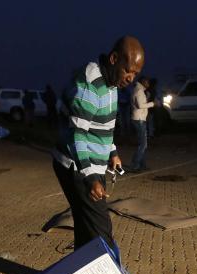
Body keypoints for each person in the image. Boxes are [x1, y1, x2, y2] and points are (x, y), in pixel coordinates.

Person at [52, 36, 145, 253]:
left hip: (92, 164)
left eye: (135, 74)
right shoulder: (90, 86)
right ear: (114, 59)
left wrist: (112, 151)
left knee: (87, 230)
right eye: (128, 71)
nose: (131, 78)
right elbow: (78, 136)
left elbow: (103, 126)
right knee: (101, 234)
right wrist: (91, 178)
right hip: (76, 166)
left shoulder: (111, 82)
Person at [129, 77, 155, 171]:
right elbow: (140, 105)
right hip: (139, 119)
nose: (148, 84)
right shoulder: (139, 90)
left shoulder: (138, 89)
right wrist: (152, 103)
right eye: (147, 82)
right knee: (143, 144)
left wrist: (147, 98)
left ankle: (141, 165)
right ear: (143, 82)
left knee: (142, 144)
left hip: (139, 118)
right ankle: (135, 165)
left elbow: (140, 103)